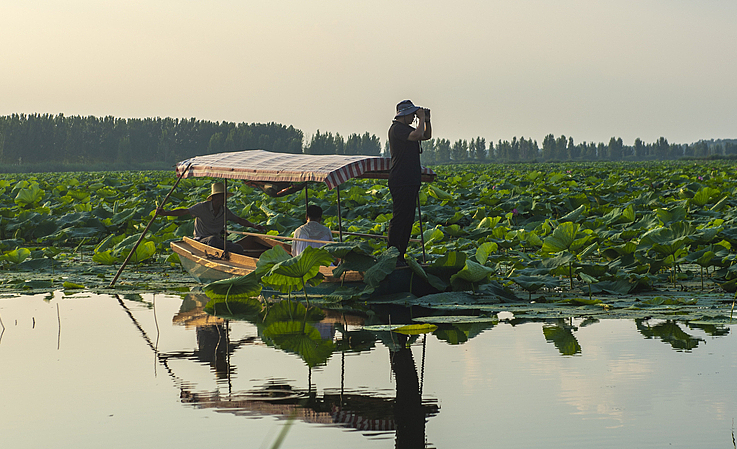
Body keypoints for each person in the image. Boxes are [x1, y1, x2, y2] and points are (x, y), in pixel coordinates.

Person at [156, 182, 265, 255]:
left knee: (239, 248)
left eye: (224, 197)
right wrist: (165, 213)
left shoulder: (224, 210)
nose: (222, 200)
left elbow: (239, 220)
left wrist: (254, 226)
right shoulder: (202, 207)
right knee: (213, 239)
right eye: (220, 197)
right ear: (214, 197)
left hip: (217, 242)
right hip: (201, 241)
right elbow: (184, 211)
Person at [387, 100, 432, 265]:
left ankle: (401, 255)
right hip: (401, 179)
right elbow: (417, 135)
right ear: (403, 115)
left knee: (408, 219)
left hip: (411, 179)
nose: (414, 117)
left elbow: (426, 135)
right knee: (399, 218)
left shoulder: (406, 129)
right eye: (412, 114)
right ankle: (392, 253)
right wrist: (421, 120)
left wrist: (426, 120)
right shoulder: (397, 129)